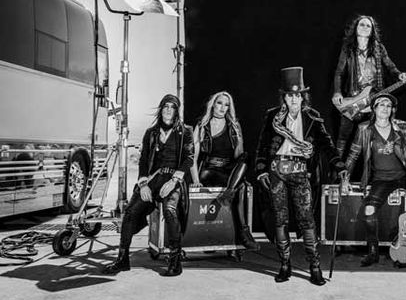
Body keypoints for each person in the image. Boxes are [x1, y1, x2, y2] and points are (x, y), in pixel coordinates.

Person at [255, 66, 344, 285]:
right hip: (277, 172)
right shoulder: (272, 117)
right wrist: (260, 170)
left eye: (297, 95)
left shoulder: (312, 117)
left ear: (302, 96)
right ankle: (284, 265)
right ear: (284, 97)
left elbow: (327, 144)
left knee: (306, 219)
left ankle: (315, 267)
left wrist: (339, 165)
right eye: (290, 95)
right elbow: (262, 146)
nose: (294, 99)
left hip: (301, 172)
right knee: (280, 218)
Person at [341, 93, 406, 266]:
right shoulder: (364, 129)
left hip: (405, 175)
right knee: (369, 210)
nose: (385, 108)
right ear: (374, 109)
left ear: (392, 110)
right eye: (381, 104)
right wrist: (345, 179)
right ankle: (373, 252)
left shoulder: (403, 126)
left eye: (388, 105)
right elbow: (353, 156)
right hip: (381, 179)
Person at [103, 94, 194, 276]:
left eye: (172, 107)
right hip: (153, 179)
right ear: (161, 109)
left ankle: (175, 262)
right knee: (130, 212)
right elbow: (144, 161)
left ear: (177, 111)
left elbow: (188, 159)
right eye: (165, 106)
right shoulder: (150, 133)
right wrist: (143, 184)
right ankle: (122, 260)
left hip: (173, 180)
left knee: (169, 210)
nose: (168, 110)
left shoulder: (185, 132)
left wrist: (175, 180)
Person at [331, 14, 406, 157]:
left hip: (374, 98)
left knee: (374, 137)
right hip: (354, 100)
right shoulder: (348, 49)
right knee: (343, 138)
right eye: (362, 24)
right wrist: (337, 92)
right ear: (355, 28)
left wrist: (399, 75)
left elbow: (390, 66)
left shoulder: (379, 48)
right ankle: (336, 171)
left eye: (368, 25)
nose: (365, 27)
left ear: (372, 30)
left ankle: (375, 173)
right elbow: (339, 73)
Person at [191, 91, 258, 251]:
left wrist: (238, 136)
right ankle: (244, 234)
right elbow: (192, 157)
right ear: (213, 104)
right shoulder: (202, 125)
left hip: (227, 171)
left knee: (246, 158)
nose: (222, 108)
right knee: (239, 187)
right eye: (220, 103)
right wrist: (195, 181)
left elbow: (238, 157)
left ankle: (229, 193)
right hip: (208, 170)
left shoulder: (234, 125)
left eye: (226, 105)